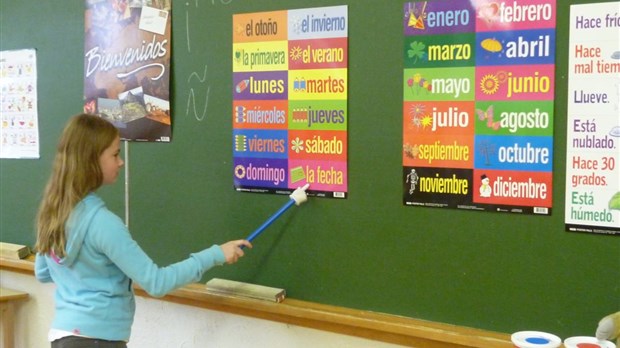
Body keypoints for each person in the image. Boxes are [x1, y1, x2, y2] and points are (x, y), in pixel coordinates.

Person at [34, 114, 252, 347]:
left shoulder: (54, 212)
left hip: (62, 337)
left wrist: (86, 274)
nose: (121, 162)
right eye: (115, 154)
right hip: (99, 340)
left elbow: (43, 271)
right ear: (91, 160)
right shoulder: (103, 223)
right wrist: (215, 254)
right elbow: (156, 282)